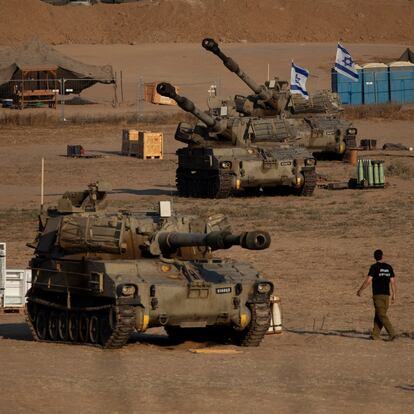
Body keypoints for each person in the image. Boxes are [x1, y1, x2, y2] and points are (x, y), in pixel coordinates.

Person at [357, 249, 397, 340]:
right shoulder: (388, 267)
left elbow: (368, 280)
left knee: (381, 315)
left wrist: (360, 290)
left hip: (378, 295)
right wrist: (394, 294)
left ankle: (392, 333)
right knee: (379, 314)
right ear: (382, 256)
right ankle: (375, 335)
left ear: (374, 257)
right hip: (387, 296)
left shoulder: (374, 267)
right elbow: (393, 281)